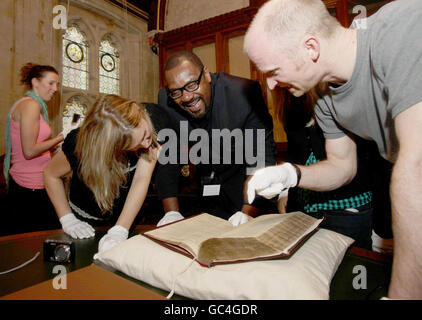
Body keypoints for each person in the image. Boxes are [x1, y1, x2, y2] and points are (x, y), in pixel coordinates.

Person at [244, 0, 422, 299]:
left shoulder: (401, 27)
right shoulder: (325, 93)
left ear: (310, 48)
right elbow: (342, 166)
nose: (271, 85)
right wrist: (291, 175)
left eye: (273, 71)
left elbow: (416, 167)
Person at [155, 51, 277, 227]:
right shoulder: (167, 101)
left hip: (245, 185)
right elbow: (168, 158)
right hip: (205, 187)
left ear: (206, 74)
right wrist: (172, 213)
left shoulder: (243, 93)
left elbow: (260, 157)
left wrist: (247, 213)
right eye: (176, 92)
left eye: (191, 85)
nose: (187, 97)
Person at [43, 94, 160, 254]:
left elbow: (141, 180)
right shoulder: (79, 144)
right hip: (81, 223)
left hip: (124, 219)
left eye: (146, 134)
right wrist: (67, 219)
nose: (148, 143)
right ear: (112, 146)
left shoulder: (147, 140)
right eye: (138, 143)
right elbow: (50, 175)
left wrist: (120, 230)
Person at [279, 92, 374, 250]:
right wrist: (284, 192)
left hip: (346, 208)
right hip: (303, 209)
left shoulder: (339, 96)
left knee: (349, 270)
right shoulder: (290, 102)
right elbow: (294, 153)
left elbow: (367, 158)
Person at [3, 63, 64, 235]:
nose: (55, 89)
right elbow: (29, 151)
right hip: (30, 186)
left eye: (57, 85)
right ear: (35, 82)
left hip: (34, 182)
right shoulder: (31, 105)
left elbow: (34, 147)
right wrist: (60, 138)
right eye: (51, 83)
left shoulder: (30, 104)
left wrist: (55, 147)